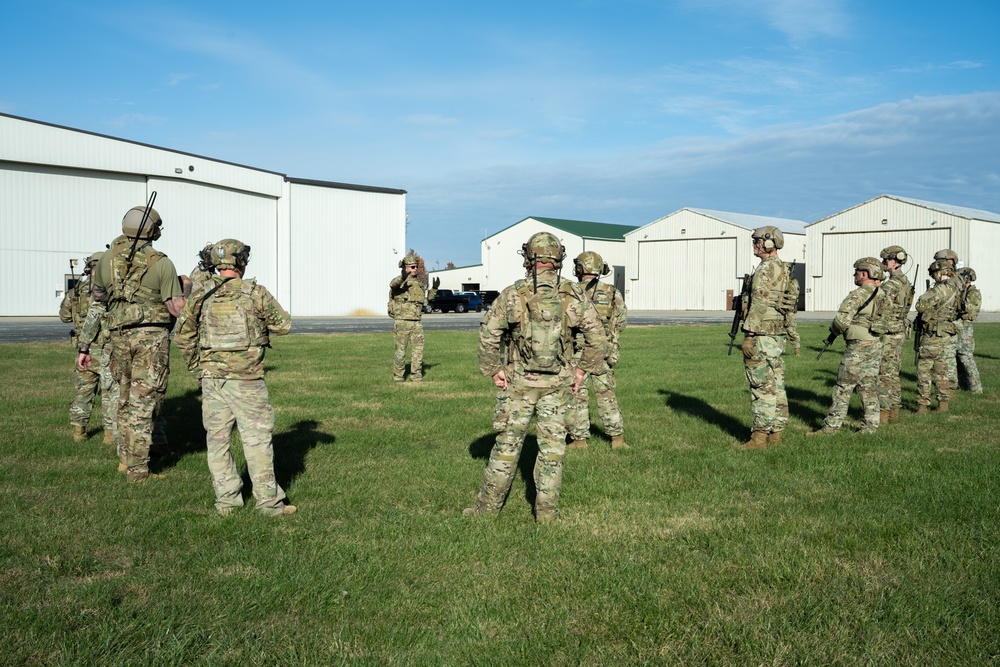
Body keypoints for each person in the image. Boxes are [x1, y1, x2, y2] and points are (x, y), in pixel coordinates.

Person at [464, 232, 607, 524]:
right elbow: (597, 338)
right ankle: (547, 516)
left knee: (506, 447)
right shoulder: (575, 295)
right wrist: (581, 371)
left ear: (529, 258)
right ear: (559, 258)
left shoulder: (513, 292)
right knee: (552, 453)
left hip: (518, 384)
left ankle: (485, 512)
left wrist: (494, 369)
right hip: (558, 385)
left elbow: (489, 333)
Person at [174, 239, 296, 517]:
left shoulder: (201, 295)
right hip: (247, 380)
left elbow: (182, 336)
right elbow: (283, 325)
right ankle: (269, 504)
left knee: (217, 441)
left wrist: (199, 365)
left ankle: (227, 503)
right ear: (241, 261)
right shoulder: (255, 293)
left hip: (212, 380)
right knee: (256, 440)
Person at [76, 204, 185, 482]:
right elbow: (175, 308)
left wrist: (85, 346)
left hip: (117, 338)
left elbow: (97, 305)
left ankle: (125, 460)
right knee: (144, 403)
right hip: (150, 340)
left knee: (123, 399)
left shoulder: (105, 261)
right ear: (152, 231)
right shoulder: (161, 262)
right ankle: (139, 472)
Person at [808, 258, 888, 436]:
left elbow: (841, 321)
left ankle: (831, 427)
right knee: (868, 386)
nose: (855, 275)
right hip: (875, 343)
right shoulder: (882, 294)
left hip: (857, 347)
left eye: (857, 272)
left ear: (864, 273)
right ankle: (870, 427)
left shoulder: (858, 294)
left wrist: (834, 330)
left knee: (843, 387)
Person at [739, 226, 796, 450]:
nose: (754, 244)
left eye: (757, 241)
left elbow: (760, 301)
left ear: (770, 243)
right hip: (776, 335)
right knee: (777, 385)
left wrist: (749, 334)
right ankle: (776, 435)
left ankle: (759, 438)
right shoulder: (783, 269)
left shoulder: (765, 269)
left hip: (761, 334)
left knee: (761, 386)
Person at [566, 251, 628, 450]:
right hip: (602, 352)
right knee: (607, 395)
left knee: (577, 395)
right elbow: (621, 321)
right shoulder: (611, 292)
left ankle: (579, 440)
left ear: (580, 268)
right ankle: (617, 439)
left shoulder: (571, 292)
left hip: (577, 352)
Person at [59, 252, 114, 442]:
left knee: (83, 392)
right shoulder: (110, 290)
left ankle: (78, 433)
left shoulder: (77, 291)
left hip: (85, 351)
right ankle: (109, 436)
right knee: (109, 394)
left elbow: (64, 316)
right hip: (108, 349)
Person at [914, 259, 961, 413]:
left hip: (934, 333)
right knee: (941, 369)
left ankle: (922, 405)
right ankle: (943, 404)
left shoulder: (940, 289)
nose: (933, 277)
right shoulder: (956, 288)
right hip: (946, 333)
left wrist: (928, 293)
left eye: (934, 273)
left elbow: (920, 305)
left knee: (924, 368)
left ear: (940, 272)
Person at [876, 246, 914, 425]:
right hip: (898, 330)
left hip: (888, 332)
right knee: (893, 373)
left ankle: (883, 414)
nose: (883, 263)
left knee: (884, 374)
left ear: (896, 262)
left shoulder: (891, 284)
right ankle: (894, 412)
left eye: (886, 260)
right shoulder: (905, 281)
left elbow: (879, 306)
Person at [388, 254, 438, 382]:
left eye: (417, 267)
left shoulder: (419, 284)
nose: (415, 269)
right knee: (400, 351)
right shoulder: (399, 283)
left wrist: (434, 289)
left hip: (416, 322)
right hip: (402, 321)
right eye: (412, 267)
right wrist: (403, 277)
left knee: (418, 351)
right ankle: (398, 376)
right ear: (405, 268)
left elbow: (426, 301)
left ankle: (416, 375)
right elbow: (392, 285)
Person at [955, 267, 983, 394]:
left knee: (966, 358)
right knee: (957, 359)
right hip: (958, 326)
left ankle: (976, 388)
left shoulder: (973, 293)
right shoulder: (962, 291)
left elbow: (968, 310)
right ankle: (962, 384)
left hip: (965, 328)